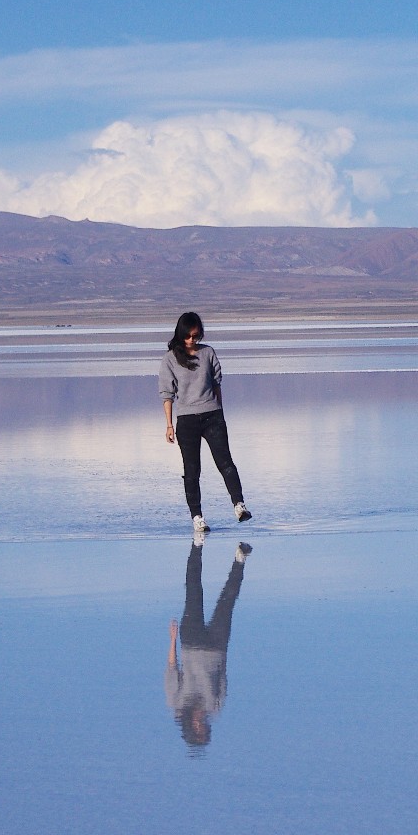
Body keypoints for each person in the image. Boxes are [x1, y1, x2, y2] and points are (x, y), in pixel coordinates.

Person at [160, 310, 250, 534]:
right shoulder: (170, 359)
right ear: (181, 334)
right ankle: (197, 517)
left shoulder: (208, 353)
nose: (192, 340)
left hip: (212, 416)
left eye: (196, 336)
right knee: (192, 471)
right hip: (187, 420)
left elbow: (217, 383)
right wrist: (169, 425)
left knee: (226, 463)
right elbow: (167, 395)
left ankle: (239, 505)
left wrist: (220, 411)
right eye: (189, 336)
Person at [167, 539, 251, 750]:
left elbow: (171, 670)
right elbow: (223, 674)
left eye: (199, 728)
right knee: (228, 600)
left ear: (190, 727)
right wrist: (224, 649)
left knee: (193, 589)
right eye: (205, 728)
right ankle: (240, 559)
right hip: (217, 646)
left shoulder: (177, 703)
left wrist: (172, 640)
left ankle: (197, 547)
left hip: (191, 642)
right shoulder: (215, 706)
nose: (202, 724)